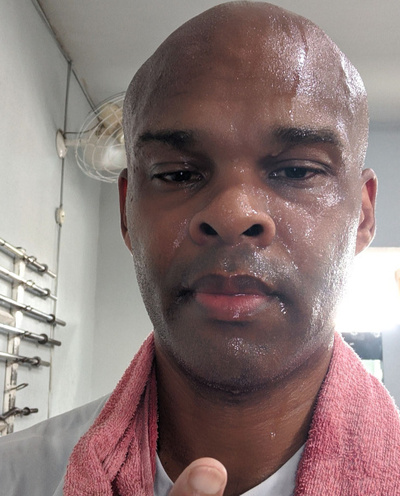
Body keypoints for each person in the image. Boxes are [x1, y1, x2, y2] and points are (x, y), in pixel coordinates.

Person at [0, 2, 399, 495]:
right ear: (127, 211)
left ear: (362, 215)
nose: (232, 214)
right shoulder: (17, 477)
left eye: (297, 171)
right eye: (179, 174)